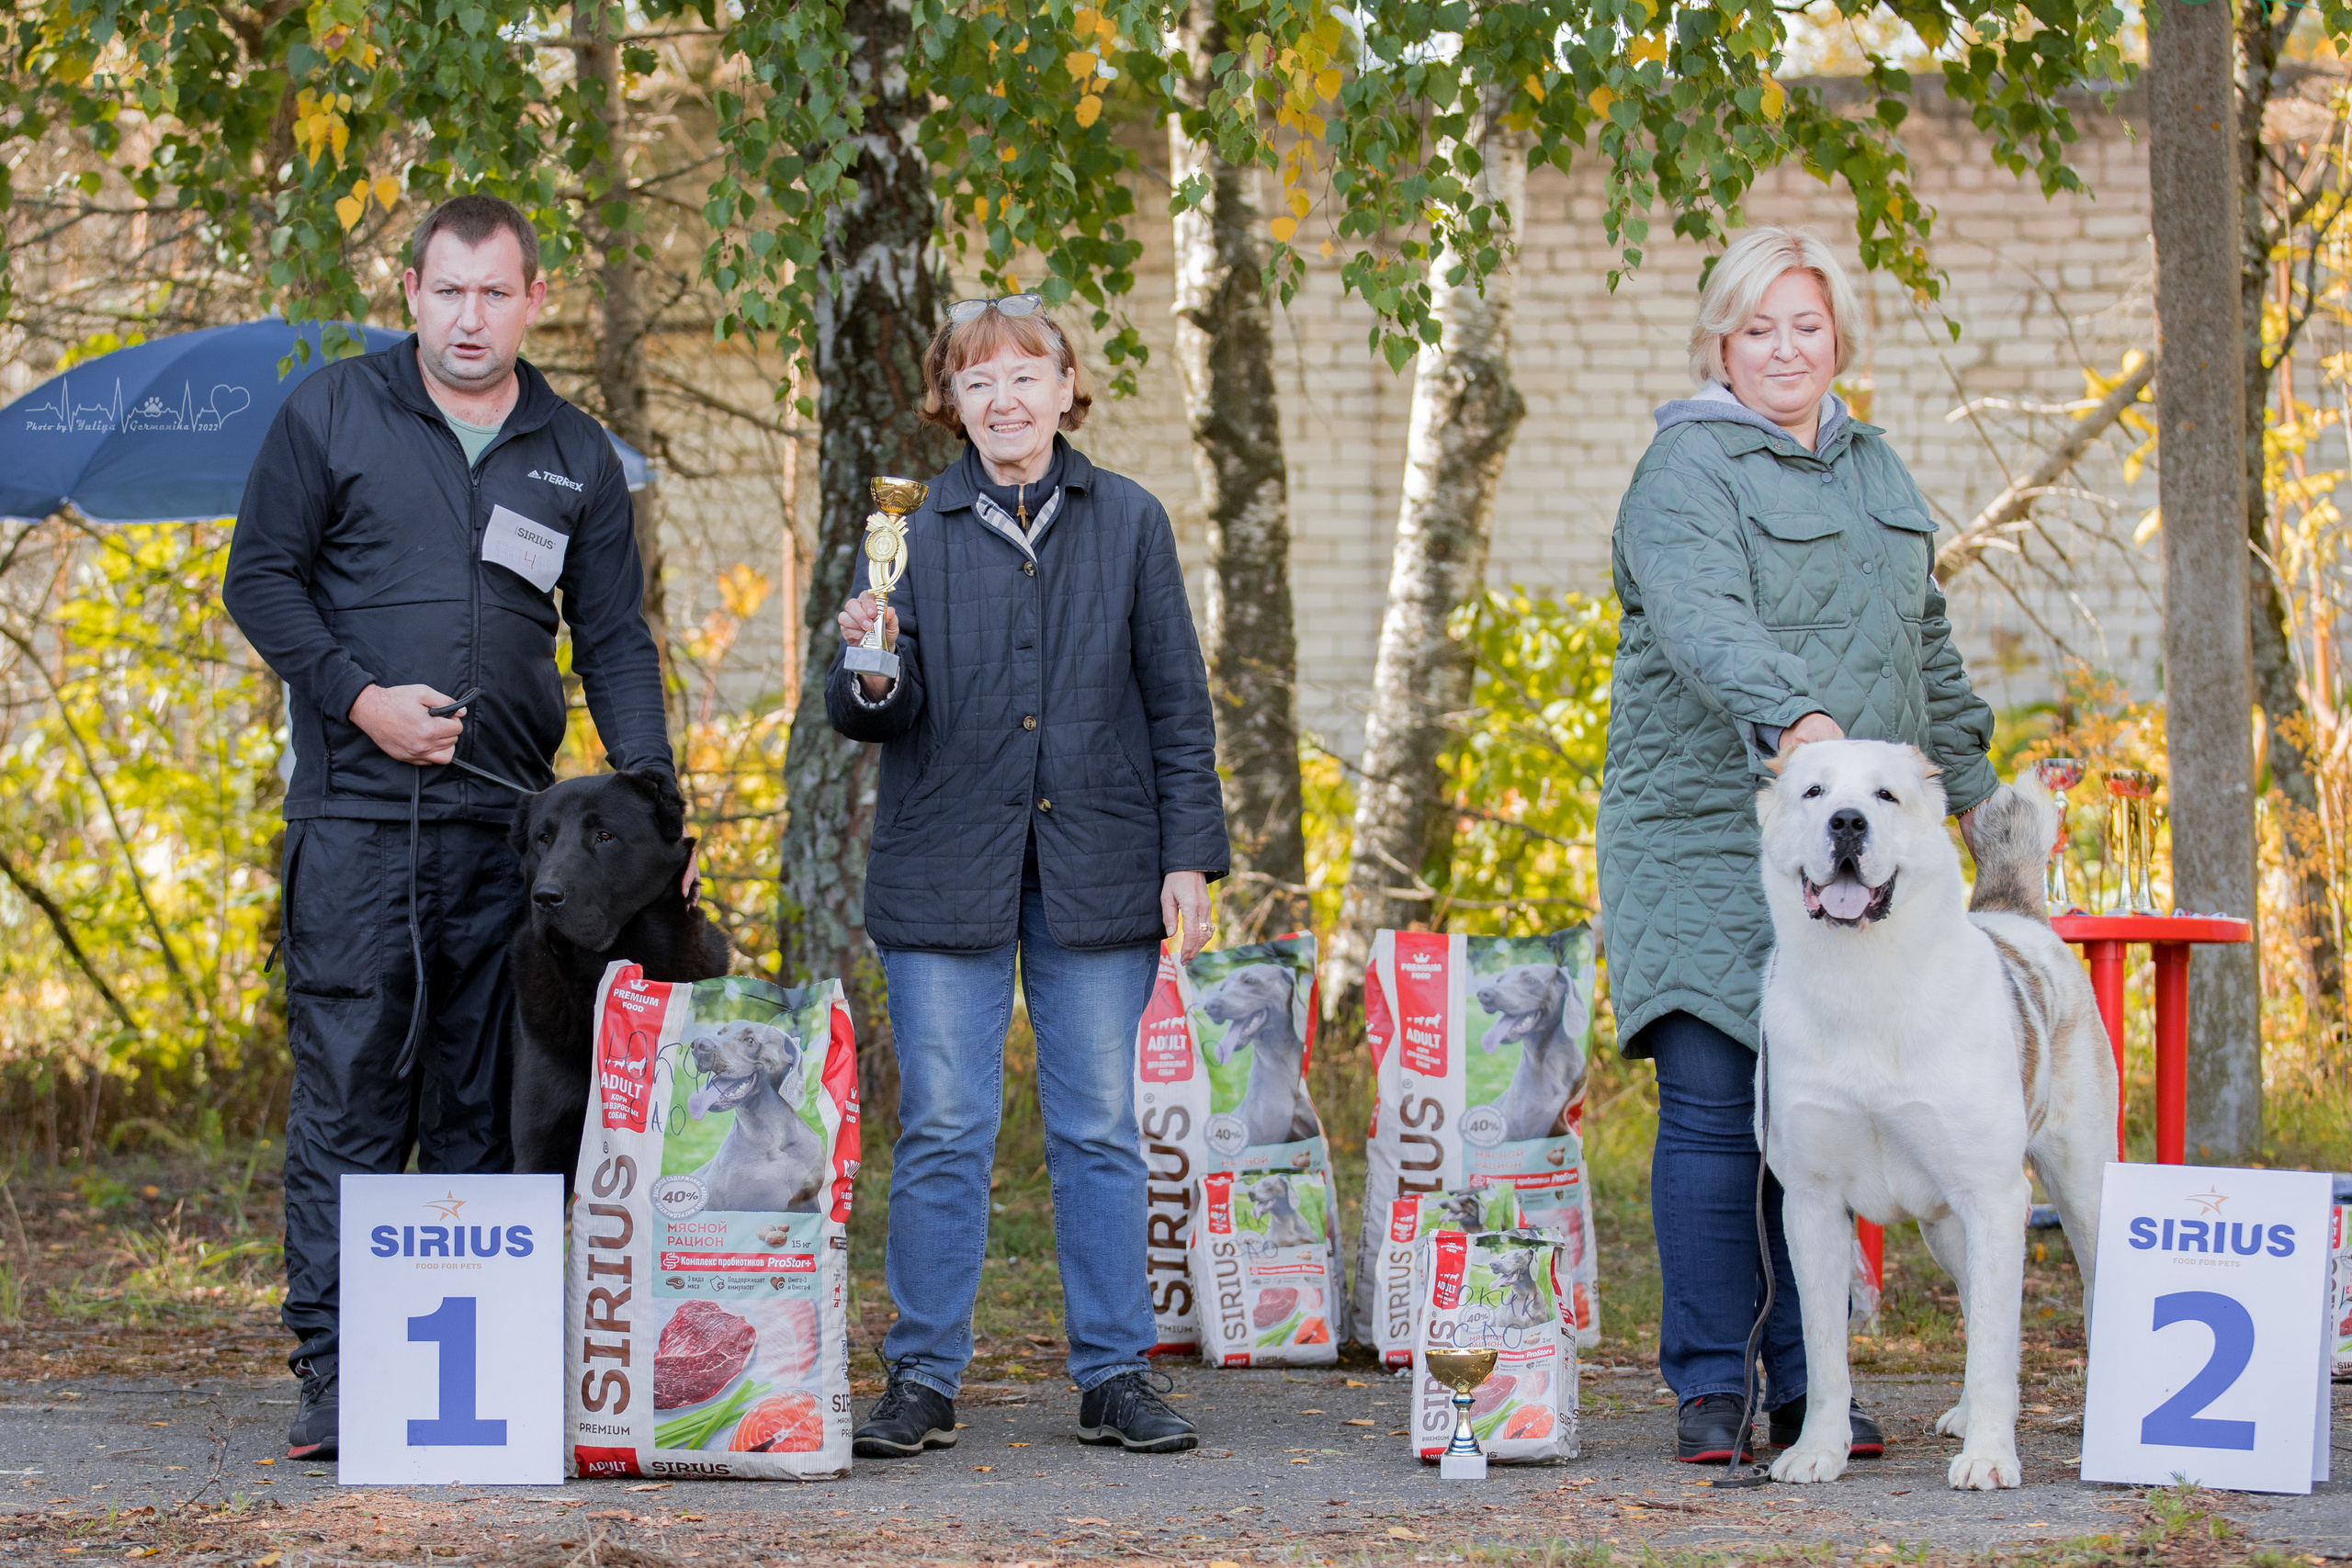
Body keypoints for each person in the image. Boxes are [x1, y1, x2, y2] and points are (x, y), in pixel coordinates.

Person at [222, 194, 674, 1460]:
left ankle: (491, 1367)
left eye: (495, 293)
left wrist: (645, 777)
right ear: (409, 293)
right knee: (354, 1094)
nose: (469, 317)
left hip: (509, 844)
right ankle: (335, 1371)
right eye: (447, 291)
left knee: (494, 1103)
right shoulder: (333, 412)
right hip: (357, 824)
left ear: (536, 300)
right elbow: (258, 576)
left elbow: (615, 635)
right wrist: (361, 700)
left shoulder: (577, 454)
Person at [1597, 225, 1998, 1465]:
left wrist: (1977, 789)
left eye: (1807, 326)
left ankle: (1811, 1393)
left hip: (1858, 841)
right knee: (1723, 1110)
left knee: (1822, 1125)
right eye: (1758, 327)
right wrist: (1801, 721)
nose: (1785, 348)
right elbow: (1703, 614)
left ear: (1840, 341)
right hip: (1711, 829)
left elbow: (1924, 644)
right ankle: (1715, 1383)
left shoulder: (1879, 470)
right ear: (1720, 341)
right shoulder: (1686, 469)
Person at [825, 293, 1227, 1458]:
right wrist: (872, 662)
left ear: (1066, 389)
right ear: (948, 403)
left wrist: (1189, 852)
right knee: (947, 1124)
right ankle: (922, 1377)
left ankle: (1115, 1376)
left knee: (1099, 1127)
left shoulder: (1132, 521)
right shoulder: (906, 531)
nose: (1002, 400)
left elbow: (1176, 702)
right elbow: (868, 717)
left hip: (1098, 864)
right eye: (976, 381)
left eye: (1024, 376)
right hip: (945, 867)